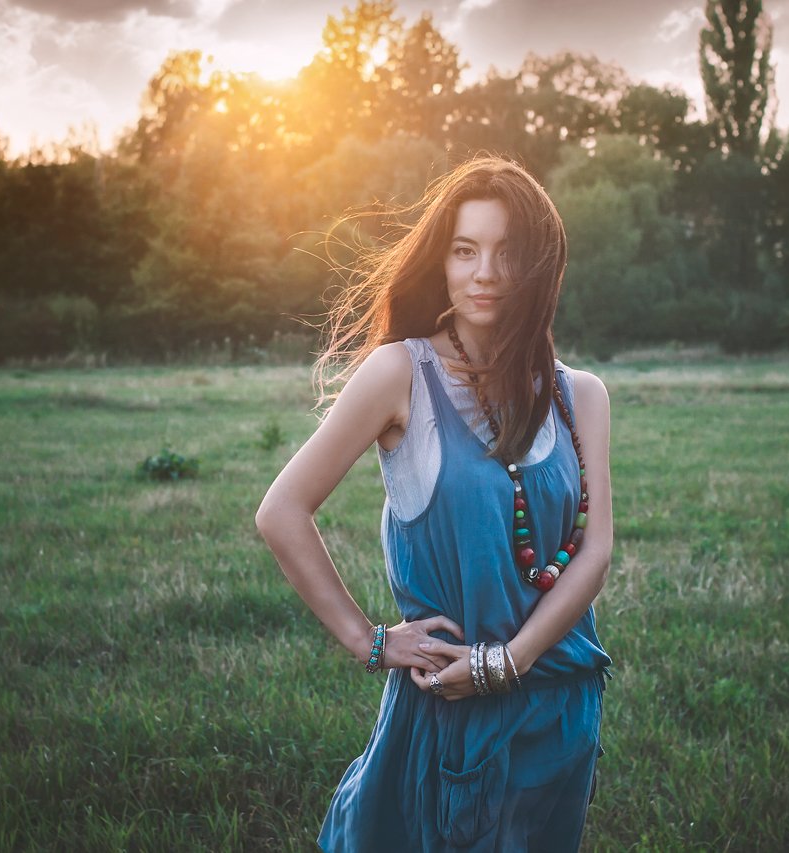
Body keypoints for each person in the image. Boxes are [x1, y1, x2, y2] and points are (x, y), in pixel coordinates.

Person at [255, 155, 615, 852]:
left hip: (560, 706)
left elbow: (594, 550)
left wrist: (508, 661)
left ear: (540, 267)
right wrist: (371, 640)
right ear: (442, 261)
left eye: (508, 253)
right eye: (465, 249)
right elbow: (282, 510)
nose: (485, 273)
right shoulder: (401, 372)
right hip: (450, 709)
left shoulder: (583, 395)